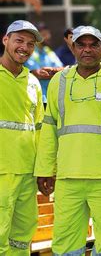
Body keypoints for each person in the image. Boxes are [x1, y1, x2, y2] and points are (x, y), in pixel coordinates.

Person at [34, 25, 101, 255]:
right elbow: (49, 129)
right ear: (73, 47)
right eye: (81, 44)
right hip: (68, 175)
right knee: (66, 241)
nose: (87, 50)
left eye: (94, 45)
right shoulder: (58, 81)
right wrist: (45, 169)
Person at [0, 20, 44, 255]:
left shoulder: (33, 83)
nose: (24, 47)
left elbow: (39, 129)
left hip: (27, 173)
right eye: (19, 40)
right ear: (5, 40)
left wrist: (45, 169)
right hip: (1, 172)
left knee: (22, 235)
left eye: (30, 44)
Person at [24, 22, 63, 104]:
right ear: (36, 37)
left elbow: (62, 71)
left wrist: (53, 72)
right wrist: (55, 72)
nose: (48, 37)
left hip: (51, 99)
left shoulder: (48, 51)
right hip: (35, 100)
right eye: (44, 34)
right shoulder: (29, 53)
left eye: (48, 34)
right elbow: (37, 74)